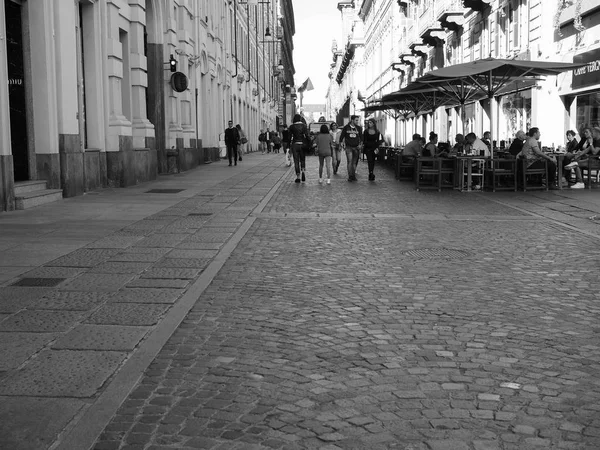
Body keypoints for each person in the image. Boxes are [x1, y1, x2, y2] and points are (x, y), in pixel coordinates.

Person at [339, 115, 363, 182]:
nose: (357, 121)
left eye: (358, 120)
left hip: (356, 147)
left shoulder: (359, 128)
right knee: (350, 162)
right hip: (348, 147)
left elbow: (361, 138)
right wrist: (341, 143)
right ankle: (350, 176)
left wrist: (360, 145)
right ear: (352, 120)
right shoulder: (346, 127)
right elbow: (341, 137)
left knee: (354, 163)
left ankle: (353, 176)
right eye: (356, 120)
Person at [287, 114, 310, 183]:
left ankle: (298, 176)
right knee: (302, 159)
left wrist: (288, 146)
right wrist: (309, 143)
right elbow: (307, 136)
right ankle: (303, 171)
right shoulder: (304, 126)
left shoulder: (292, 127)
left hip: (295, 145)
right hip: (302, 144)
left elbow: (289, 137)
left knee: (296, 161)